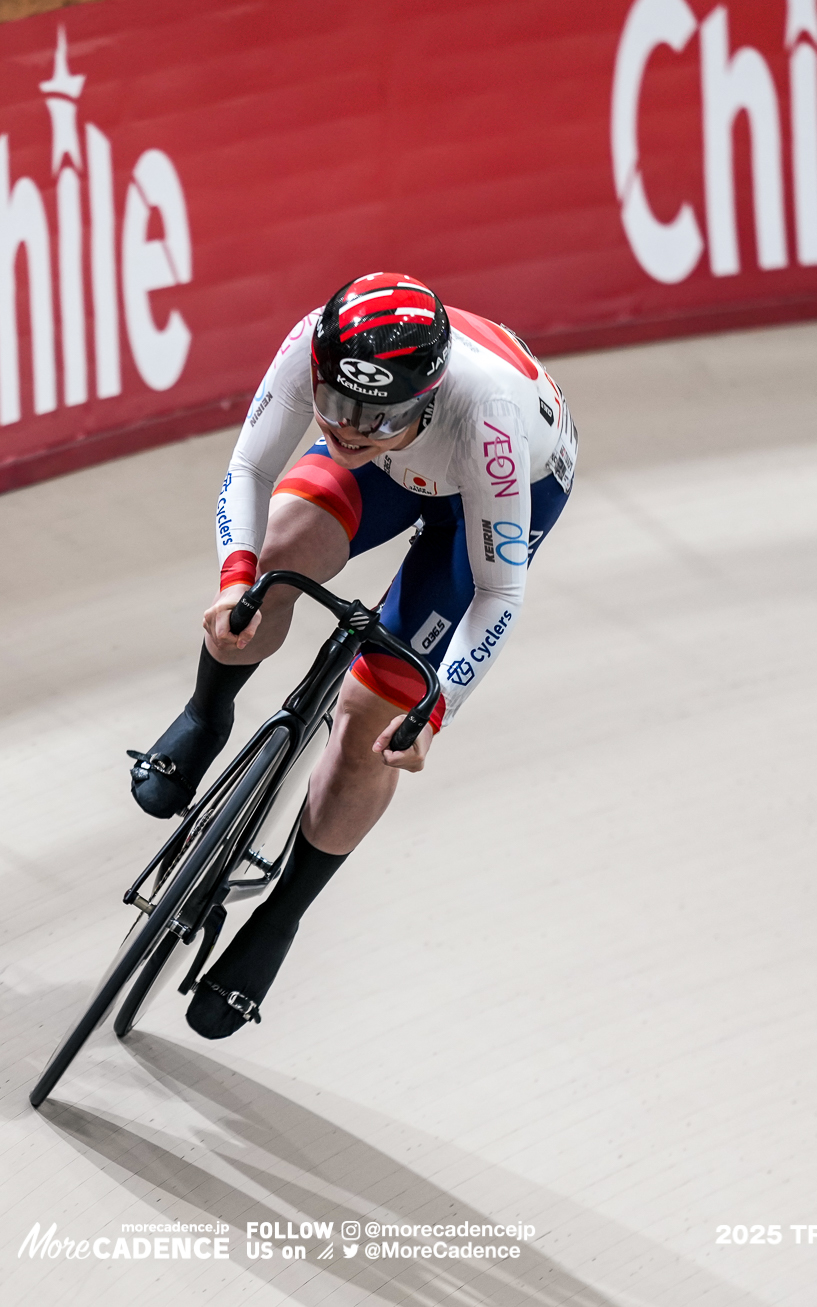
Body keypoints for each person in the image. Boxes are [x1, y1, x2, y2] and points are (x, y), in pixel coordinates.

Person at [127, 272, 578, 1039]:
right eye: (336, 405)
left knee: (373, 718)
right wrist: (238, 578)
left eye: (377, 413)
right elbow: (249, 469)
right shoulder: (314, 343)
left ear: (429, 394)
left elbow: (498, 595)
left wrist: (435, 710)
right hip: (401, 468)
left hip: (499, 487)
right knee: (274, 560)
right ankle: (206, 716)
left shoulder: (488, 418)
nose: (349, 428)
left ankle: (280, 917)